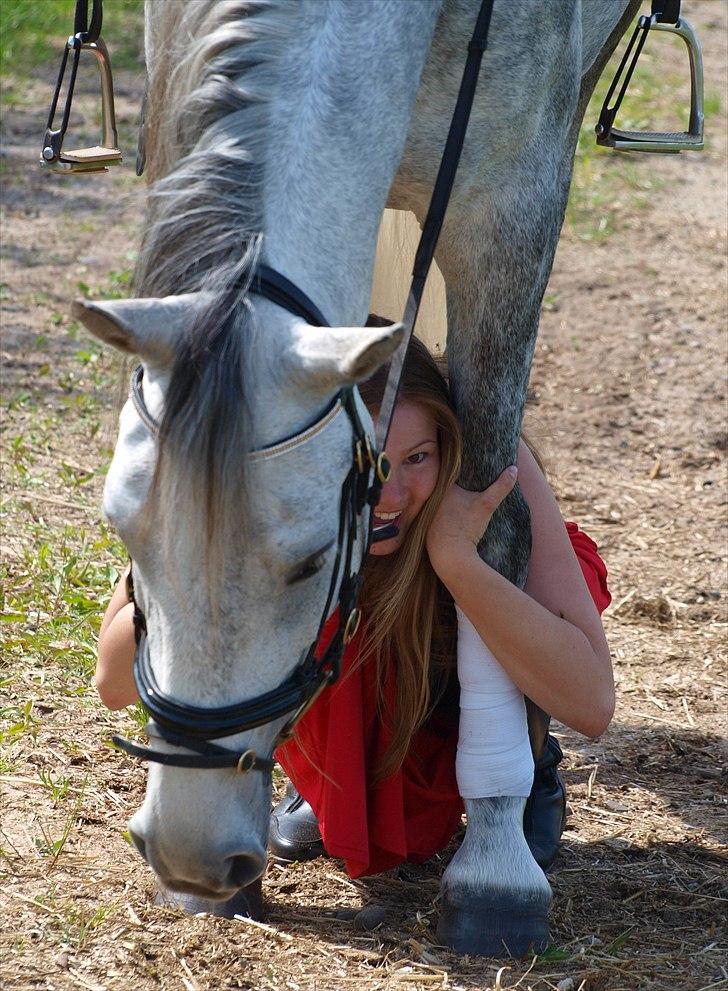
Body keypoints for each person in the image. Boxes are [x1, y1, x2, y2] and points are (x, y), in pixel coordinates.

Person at [96, 325, 613, 878]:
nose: (387, 496)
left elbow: (591, 704)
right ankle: (322, 778)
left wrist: (459, 563)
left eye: (416, 457)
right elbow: (115, 683)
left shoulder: (485, 465)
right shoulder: (260, 469)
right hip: (339, 694)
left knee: (510, 582)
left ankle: (528, 764)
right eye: (357, 458)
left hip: (451, 714)